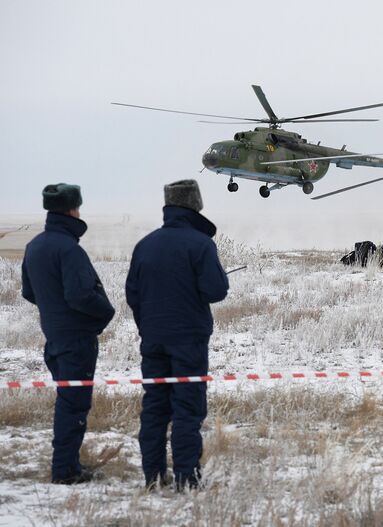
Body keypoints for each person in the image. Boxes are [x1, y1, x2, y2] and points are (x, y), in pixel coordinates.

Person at [125, 180, 229, 490]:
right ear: (195, 204)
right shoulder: (201, 245)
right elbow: (216, 290)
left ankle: (153, 477)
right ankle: (187, 478)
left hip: (153, 340)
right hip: (189, 341)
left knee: (155, 408)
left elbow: (133, 294)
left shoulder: (145, 245)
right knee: (187, 409)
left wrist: (148, 327)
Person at [21, 183, 115, 484]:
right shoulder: (69, 249)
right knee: (73, 405)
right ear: (72, 209)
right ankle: (65, 471)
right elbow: (80, 296)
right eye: (78, 207)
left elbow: (28, 292)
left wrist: (54, 311)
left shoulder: (35, 246)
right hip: (76, 340)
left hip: (54, 336)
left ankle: (68, 465)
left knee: (67, 401)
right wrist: (106, 311)